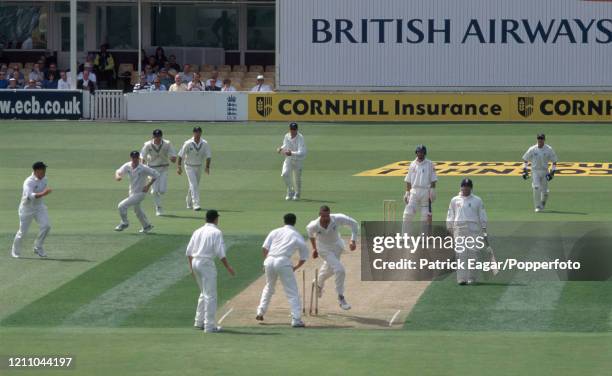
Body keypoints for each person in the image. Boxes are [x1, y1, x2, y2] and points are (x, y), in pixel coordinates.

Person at [186, 210, 235, 333]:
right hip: (206, 263)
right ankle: (209, 326)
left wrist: (191, 267)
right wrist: (228, 267)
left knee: (204, 292)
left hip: (195, 262)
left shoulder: (197, 231)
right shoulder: (216, 232)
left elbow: (189, 252)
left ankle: (199, 321)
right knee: (211, 295)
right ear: (216, 219)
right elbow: (220, 253)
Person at [256, 213, 309, 327]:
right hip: (283, 262)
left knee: (269, 286)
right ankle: (296, 319)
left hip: (269, 261)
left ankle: (260, 311)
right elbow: (304, 256)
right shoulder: (296, 235)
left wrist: (266, 262)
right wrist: (295, 267)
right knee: (292, 291)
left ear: (283, 221)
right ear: (295, 222)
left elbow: (265, 248)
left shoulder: (275, 231)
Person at [307, 206, 358, 311]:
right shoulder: (313, 225)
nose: (326, 218)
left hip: (337, 246)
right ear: (319, 214)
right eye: (324, 216)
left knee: (330, 269)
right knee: (340, 270)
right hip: (324, 249)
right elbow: (311, 235)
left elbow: (354, 224)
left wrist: (353, 240)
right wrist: (314, 249)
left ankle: (318, 283)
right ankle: (341, 297)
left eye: (327, 215)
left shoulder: (337, 218)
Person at [446, 178, 488, 285]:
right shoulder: (455, 200)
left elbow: (482, 216)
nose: (465, 189)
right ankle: (461, 279)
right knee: (461, 254)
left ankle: (471, 278)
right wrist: (449, 228)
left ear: (471, 188)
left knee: (473, 254)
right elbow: (450, 215)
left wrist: (484, 229)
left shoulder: (477, 200)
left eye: (467, 187)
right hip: (459, 229)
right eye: (463, 187)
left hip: (473, 229)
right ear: (461, 187)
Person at [11, 162, 52, 258]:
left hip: (39, 207)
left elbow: (39, 193)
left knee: (46, 226)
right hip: (26, 209)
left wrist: (42, 194)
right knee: (22, 232)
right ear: (36, 171)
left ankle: (38, 247)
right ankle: (15, 251)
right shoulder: (28, 182)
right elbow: (30, 196)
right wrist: (43, 193)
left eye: (45, 169)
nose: (44, 172)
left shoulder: (45, 179)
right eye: (42, 170)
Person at [114, 151, 160, 233]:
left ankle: (124, 223)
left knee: (121, 206)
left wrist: (148, 185)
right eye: (133, 158)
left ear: (138, 158)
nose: (134, 159)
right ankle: (146, 226)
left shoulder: (143, 168)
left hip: (140, 193)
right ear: (131, 158)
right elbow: (118, 171)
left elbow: (156, 174)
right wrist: (118, 176)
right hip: (132, 192)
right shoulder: (127, 165)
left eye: (136, 158)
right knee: (137, 210)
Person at [140, 129, 177, 216]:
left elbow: (173, 156)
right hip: (152, 169)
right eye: (156, 137)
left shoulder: (167, 143)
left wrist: (172, 158)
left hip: (163, 168)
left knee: (162, 190)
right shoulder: (147, 144)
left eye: (159, 137)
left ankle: (158, 202)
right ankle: (159, 208)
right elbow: (142, 156)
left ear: (161, 136)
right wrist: (142, 166)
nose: (157, 139)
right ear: (153, 137)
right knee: (155, 190)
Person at [402, 145, 437, 234]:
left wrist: (432, 190)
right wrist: (407, 192)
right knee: (407, 213)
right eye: (418, 152)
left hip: (425, 191)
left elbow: (433, 179)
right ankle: (405, 236)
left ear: (424, 153)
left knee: (425, 216)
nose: (420, 154)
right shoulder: (412, 164)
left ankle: (424, 237)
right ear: (416, 153)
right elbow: (408, 180)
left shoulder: (429, 164)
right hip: (414, 191)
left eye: (422, 152)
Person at [177, 127, 212, 211]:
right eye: (196, 132)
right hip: (189, 166)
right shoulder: (188, 143)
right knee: (194, 184)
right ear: (193, 133)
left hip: (199, 166)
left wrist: (207, 167)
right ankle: (196, 204)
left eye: (199, 132)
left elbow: (208, 156)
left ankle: (188, 201)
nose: (197, 134)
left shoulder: (204, 143)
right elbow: (181, 155)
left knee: (194, 185)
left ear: (201, 133)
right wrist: (179, 167)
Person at [522, 134, 558, 212]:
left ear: (544, 140)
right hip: (535, 171)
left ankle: (543, 202)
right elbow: (525, 159)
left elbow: (554, 161)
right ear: (537, 139)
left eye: (541, 139)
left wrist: (552, 172)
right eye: (539, 139)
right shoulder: (532, 149)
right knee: (536, 187)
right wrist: (525, 170)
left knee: (545, 192)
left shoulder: (549, 149)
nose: (540, 140)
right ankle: (537, 206)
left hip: (544, 171)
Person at [277, 122, 307, 200]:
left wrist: (291, 153)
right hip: (289, 159)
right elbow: (285, 145)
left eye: (294, 129)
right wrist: (281, 148)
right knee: (284, 174)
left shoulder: (300, 137)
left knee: (297, 178)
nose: (293, 131)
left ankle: (297, 194)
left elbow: (301, 152)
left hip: (298, 160)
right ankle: (290, 190)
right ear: (289, 129)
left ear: (297, 129)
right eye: (291, 129)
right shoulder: (286, 136)